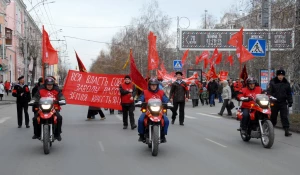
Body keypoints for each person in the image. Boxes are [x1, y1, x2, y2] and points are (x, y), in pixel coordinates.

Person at [137, 78, 169, 142]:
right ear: (149, 85)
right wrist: (139, 102)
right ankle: (141, 135)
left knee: (166, 120)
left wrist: (168, 103)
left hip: (159, 111)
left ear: (157, 85)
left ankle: (163, 135)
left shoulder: (161, 92)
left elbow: (165, 99)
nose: (153, 86)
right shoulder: (145, 92)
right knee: (141, 120)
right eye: (152, 85)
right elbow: (140, 98)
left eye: (155, 85)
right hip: (147, 111)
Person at [268, 69, 293, 137]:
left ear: (284, 76)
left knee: (284, 116)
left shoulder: (286, 83)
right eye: (279, 75)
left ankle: (286, 130)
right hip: (274, 102)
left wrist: (290, 101)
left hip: (283, 102)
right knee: (273, 117)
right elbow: (269, 91)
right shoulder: (273, 82)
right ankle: (271, 130)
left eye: (282, 75)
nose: (280, 77)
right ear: (277, 75)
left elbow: (289, 94)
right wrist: (269, 98)